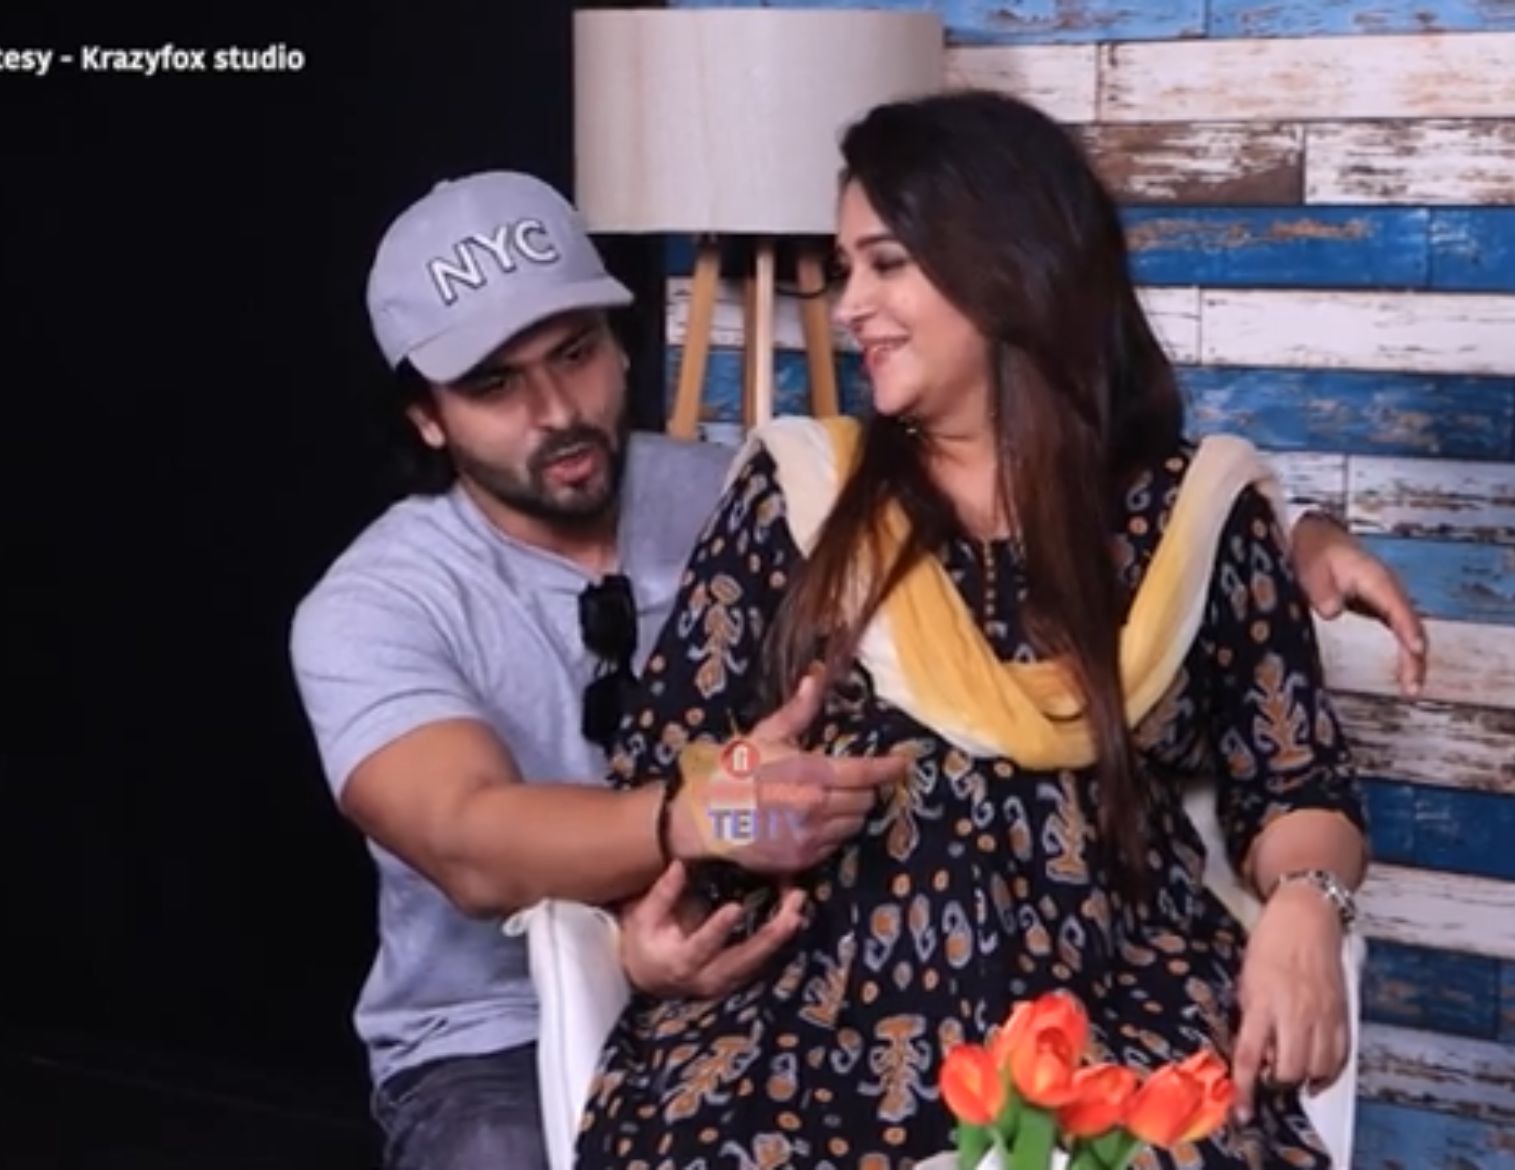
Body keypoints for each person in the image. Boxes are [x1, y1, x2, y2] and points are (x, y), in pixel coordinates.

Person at [291, 167, 1420, 1169]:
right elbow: (469, 840)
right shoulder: (377, 604)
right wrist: (692, 830)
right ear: (426, 417)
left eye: (575, 355)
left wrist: (1289, 532)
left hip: (806, 949)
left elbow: (1106, 520)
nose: (556, 412)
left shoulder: (747, 487)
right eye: (494, 386)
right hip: (490, 1027)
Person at [573, 90, 1382, 1169]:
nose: (851, 306)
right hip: (810, 1022)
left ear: (1007, 264)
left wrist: (1308, 904)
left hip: (1111, 1012)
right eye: (846, 268)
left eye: (886, 264)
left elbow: (1295, 786)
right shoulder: (801, 495)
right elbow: (662, 775)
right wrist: (716, 830)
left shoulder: (1192, 518)